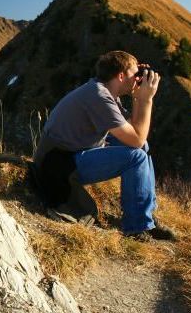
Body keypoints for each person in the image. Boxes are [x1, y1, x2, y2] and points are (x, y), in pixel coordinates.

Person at [33, 50, 176, 241]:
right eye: (135, 75)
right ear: (121, 75)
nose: (138, 80)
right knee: (137, 156)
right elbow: (137, 138)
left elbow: (134, 130)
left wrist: (137, 97)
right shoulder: (99, 97)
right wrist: (146, 99)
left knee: (143, 149)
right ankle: (136, 228)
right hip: (58, 164)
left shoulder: (104, 92)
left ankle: (145, 215)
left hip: (71, 152)